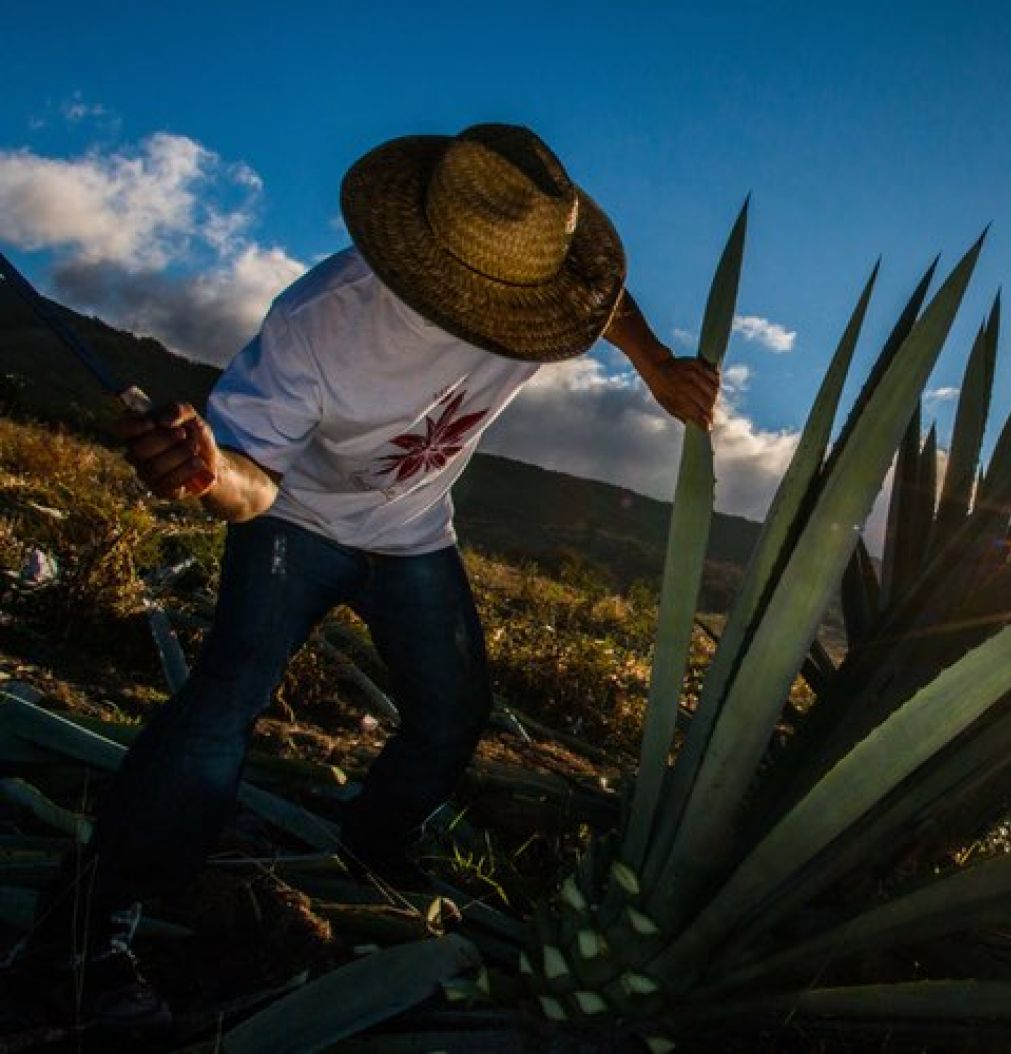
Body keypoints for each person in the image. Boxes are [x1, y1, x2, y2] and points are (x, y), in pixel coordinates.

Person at [9, 122, 719, 1028]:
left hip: (414, 533)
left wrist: (657, 366)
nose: (532, 325)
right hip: (294, 524)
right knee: (221, 709)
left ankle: (373, 847)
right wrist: (202, 469)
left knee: (452, 713)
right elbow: (253, 484)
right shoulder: (323, 324)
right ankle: (73, 943)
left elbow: (602, 300)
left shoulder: (552, 289)